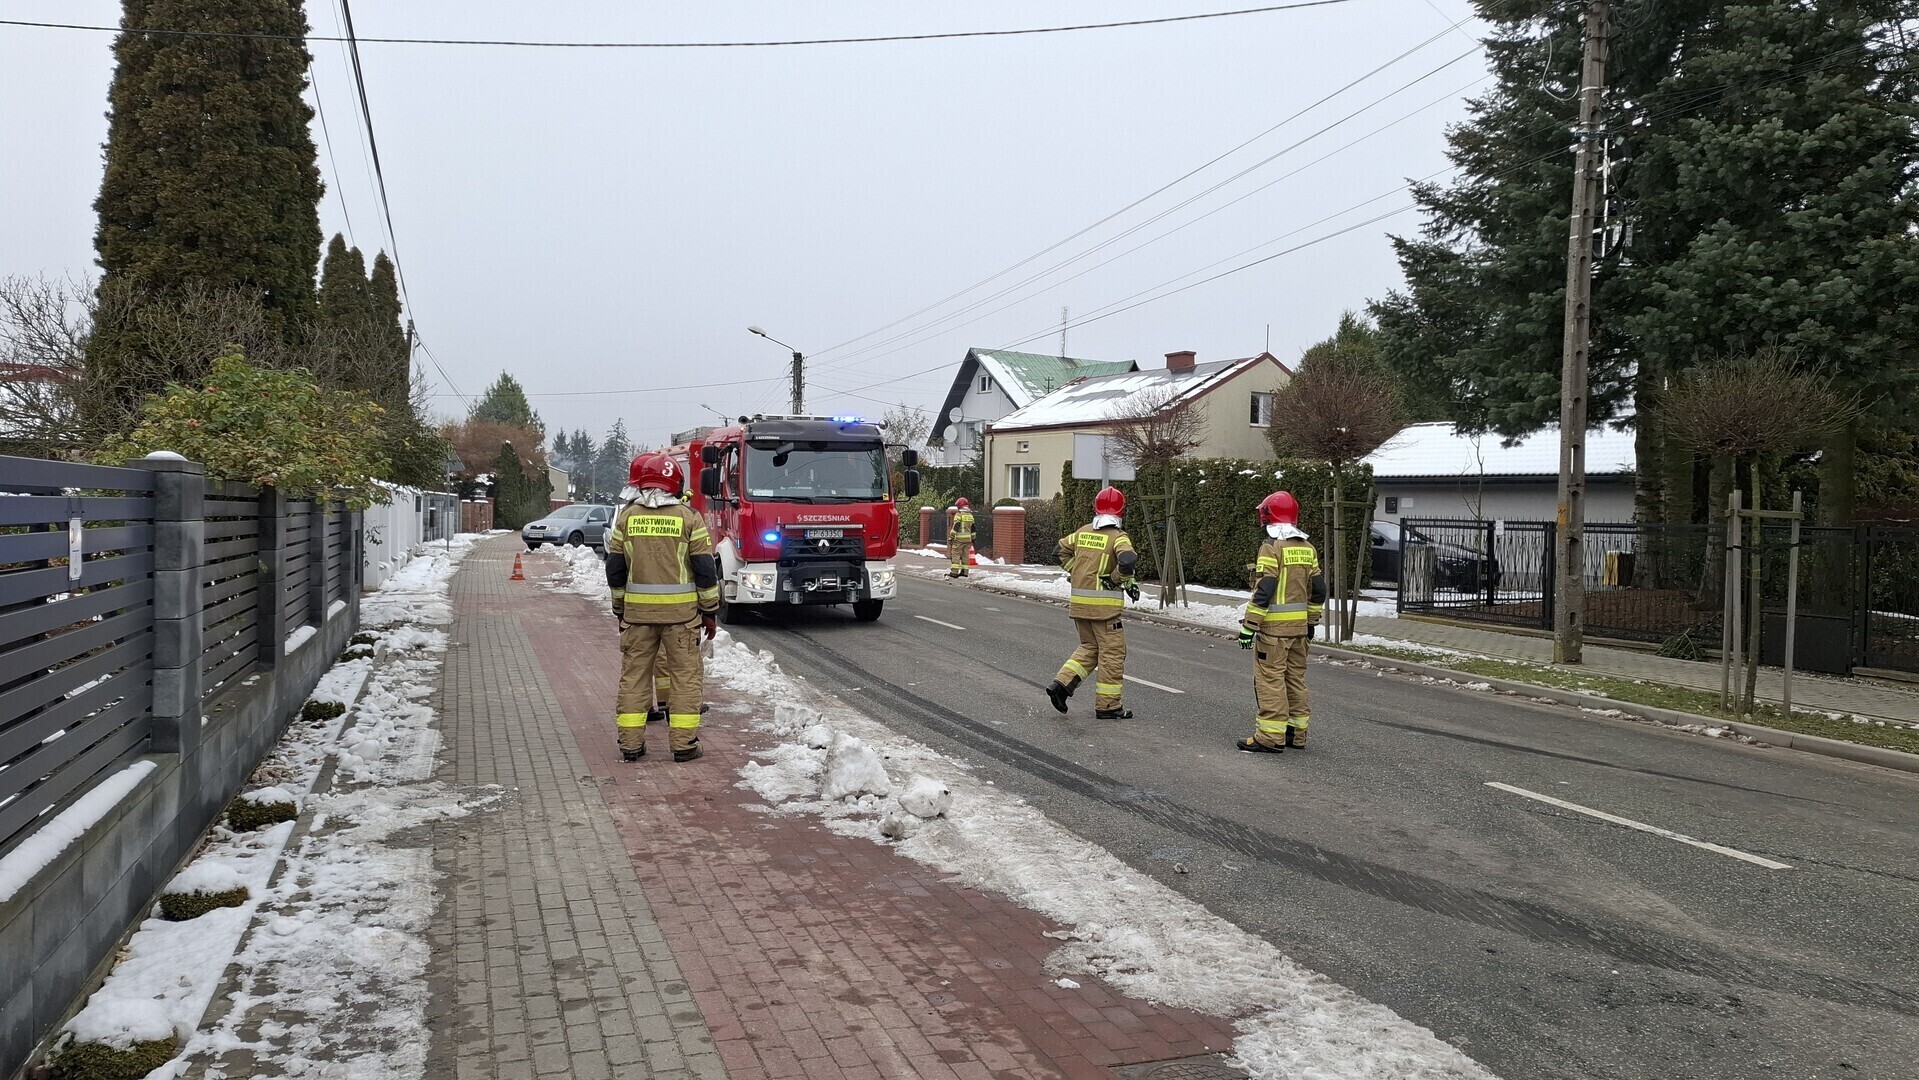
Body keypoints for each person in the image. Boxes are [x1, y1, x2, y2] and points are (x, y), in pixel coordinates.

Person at [605, 452, 720, 762]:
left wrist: (620, 609)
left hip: (637, 617)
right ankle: (683, 746)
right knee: (685, 679)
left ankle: (631, 745)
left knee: (634, 678)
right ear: (675, 484)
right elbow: (705, 571)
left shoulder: (627, 518)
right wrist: (709, 611)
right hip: (682, 618)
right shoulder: (689, 519)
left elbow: (615, 570)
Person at [1236, 491, 1324, 753]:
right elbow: (1318, 589)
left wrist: (1249, 626)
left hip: (1273, 631)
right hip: (1299, 630)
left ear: (1267, 515)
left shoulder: (1271, 547)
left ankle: (1269, 737)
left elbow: (1266, 587)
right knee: (1295, 678)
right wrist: (1311, 621)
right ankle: (1296, 734)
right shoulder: (1308, 548)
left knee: (1270, 680)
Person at [1045, 486, 1140, 719]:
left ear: (1095, 508)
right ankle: (1108, 706)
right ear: (1121, 510)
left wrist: (1075, 571)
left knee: (1089, 648)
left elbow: (1058, 552)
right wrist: (1117, 579)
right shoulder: (1118, 536)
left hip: (1080, 606)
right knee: (1112, 655)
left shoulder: (1083, 532)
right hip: (1104, 610)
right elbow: (1127, 560)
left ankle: (1060, 686)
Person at [949, 497, 975, 577]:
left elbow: (956, 526)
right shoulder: (970, 515)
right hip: (968, 539)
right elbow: (973, 528)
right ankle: (965, 572)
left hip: (959, 539)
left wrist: (951, 537)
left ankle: (954, 572)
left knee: (955, 555)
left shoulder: (959, 515)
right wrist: (973, 539)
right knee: (965, 556)